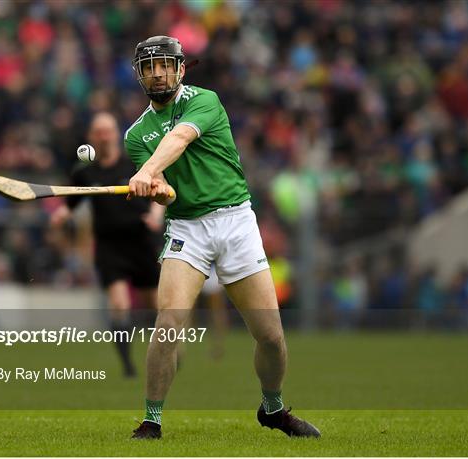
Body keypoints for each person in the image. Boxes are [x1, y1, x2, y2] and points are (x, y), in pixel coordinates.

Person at [124, 36, 320, 439]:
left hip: (235, 222)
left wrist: (147, 173)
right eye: (150, 66)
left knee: (270, 336)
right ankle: (151, 420)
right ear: (140, 74)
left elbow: (178, 140)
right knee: (168, 324)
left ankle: (273, 408)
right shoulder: (136, 135)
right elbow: (165, 188)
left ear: (180, 69)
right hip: (187, 228)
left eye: (166, 65)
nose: (158, 73)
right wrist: (154, 186)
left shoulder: (205, 101)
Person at [51, 112, 163, 377]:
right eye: (98, 132)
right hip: (109, 247)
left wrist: (156, 216)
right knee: (120, 306)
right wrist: (60, 215)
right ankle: (127, 366)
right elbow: (71, 203)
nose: (103, 137)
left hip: (141, 241)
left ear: (116, 134)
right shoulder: (85, 172)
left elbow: (160, 192)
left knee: (155, 306)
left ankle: (169, 352)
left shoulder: (135, 163)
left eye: (108, 131)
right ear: (91, 137)